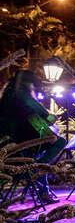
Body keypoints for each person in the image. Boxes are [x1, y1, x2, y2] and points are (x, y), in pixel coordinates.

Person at [0, 70, 66, 204]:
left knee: (38, 156)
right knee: (60, 141)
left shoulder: (6, 99)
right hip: (26, 144)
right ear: (28, 83)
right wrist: (52, 117)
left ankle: (43, 190)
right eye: (32, 85)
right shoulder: (23, 96)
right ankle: (39, 169)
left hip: (11, 146)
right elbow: (46, 116)